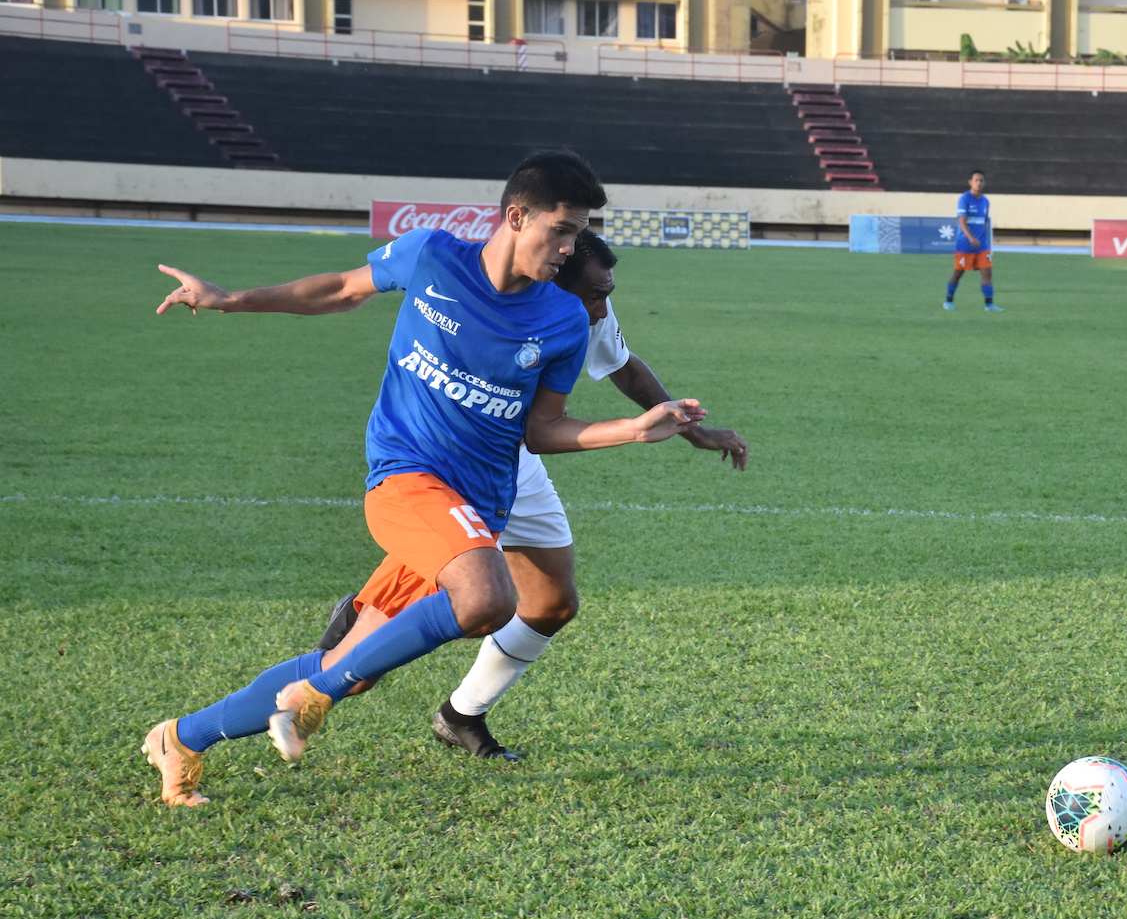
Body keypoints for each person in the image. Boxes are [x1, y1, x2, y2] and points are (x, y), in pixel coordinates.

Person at [141, 151, 706, 807]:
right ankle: (314, 695)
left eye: (578, 233)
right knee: (487, 598)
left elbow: (542, 430)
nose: (568, 248)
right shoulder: (432, 256)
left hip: (479, 505)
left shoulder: (562, 320)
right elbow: (340, 289)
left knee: (352, 670)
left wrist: (632, 429)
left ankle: (182, 738)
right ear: (515, 217)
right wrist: (230, 300)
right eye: (560, 230)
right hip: (406, 478)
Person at [311, 228, 749, 760]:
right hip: (457, 472)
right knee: (359, 674)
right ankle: (318, 657)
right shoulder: (503, 300)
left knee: (552, 603)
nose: (601, 310)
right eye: (593, 296)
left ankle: (462, 714)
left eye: (605, 295)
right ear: (544, 277)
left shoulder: (580, 305)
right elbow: (353, 292)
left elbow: (622, 364)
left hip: (519, 469)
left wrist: (693, 431)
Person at [945, 170, 1002, 312]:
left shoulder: (985, 201)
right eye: (976, 180)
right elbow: (962, 222)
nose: (979, 183)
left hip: (981, 245)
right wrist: (971, 238)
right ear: (970, 182)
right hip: (965, 245)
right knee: (958, 273)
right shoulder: (964, 199)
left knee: (987, 272)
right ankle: (948, 300)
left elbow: (984, 222)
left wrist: (983, 240)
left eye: (981, 180)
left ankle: (989, 304)